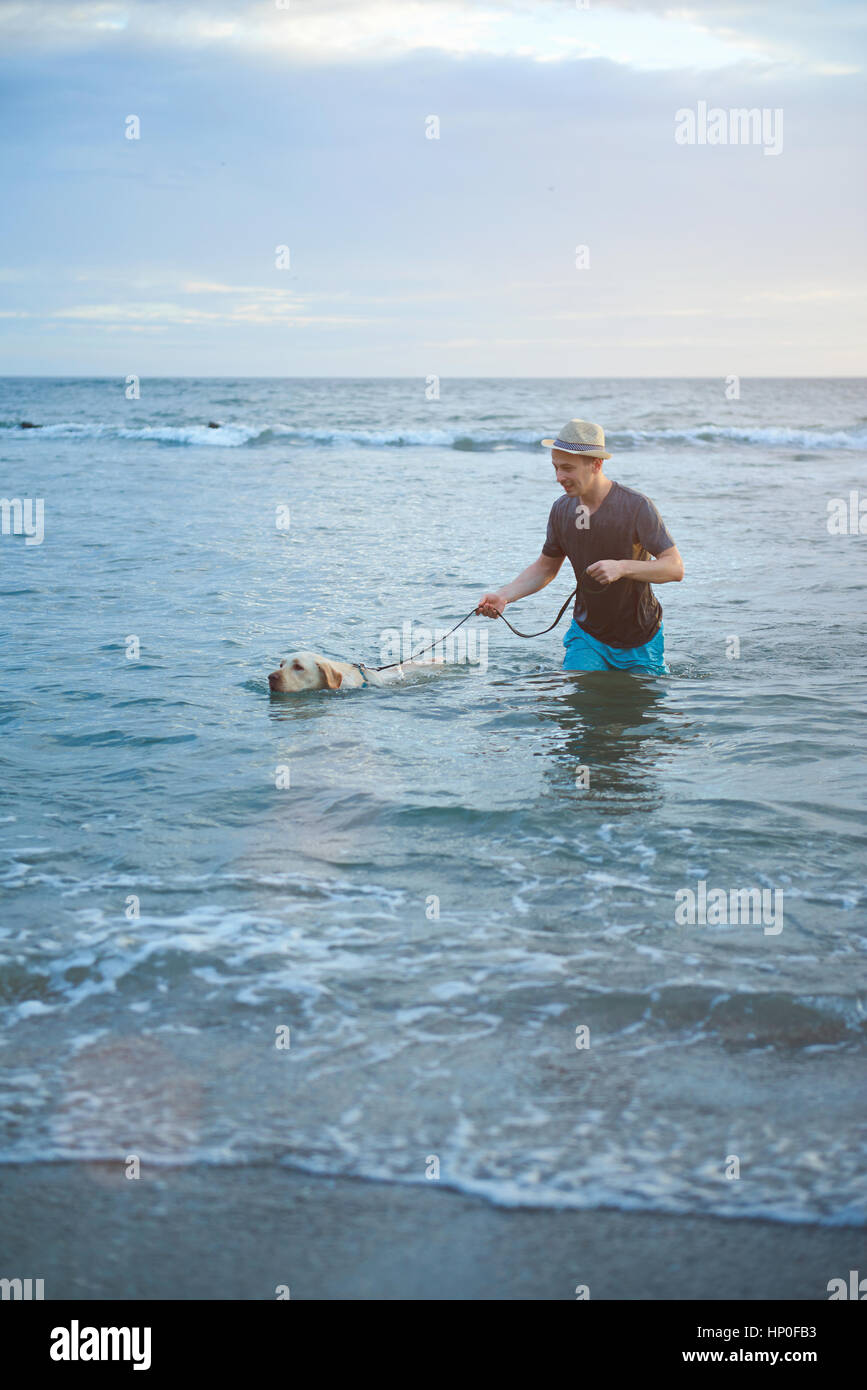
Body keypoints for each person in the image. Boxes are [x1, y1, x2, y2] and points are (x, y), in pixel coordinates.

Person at [476, 418, 684, 673]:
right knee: (581, 701)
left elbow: (674, 568)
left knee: (634, 709)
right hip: (588, 635)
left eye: (567, 468)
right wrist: (504, 596)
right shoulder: (561, 509)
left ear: (596, 464)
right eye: (555, 468)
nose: (559, 477)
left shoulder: (637, 506)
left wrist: (622, 567)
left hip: (640, 635)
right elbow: (545, 568)